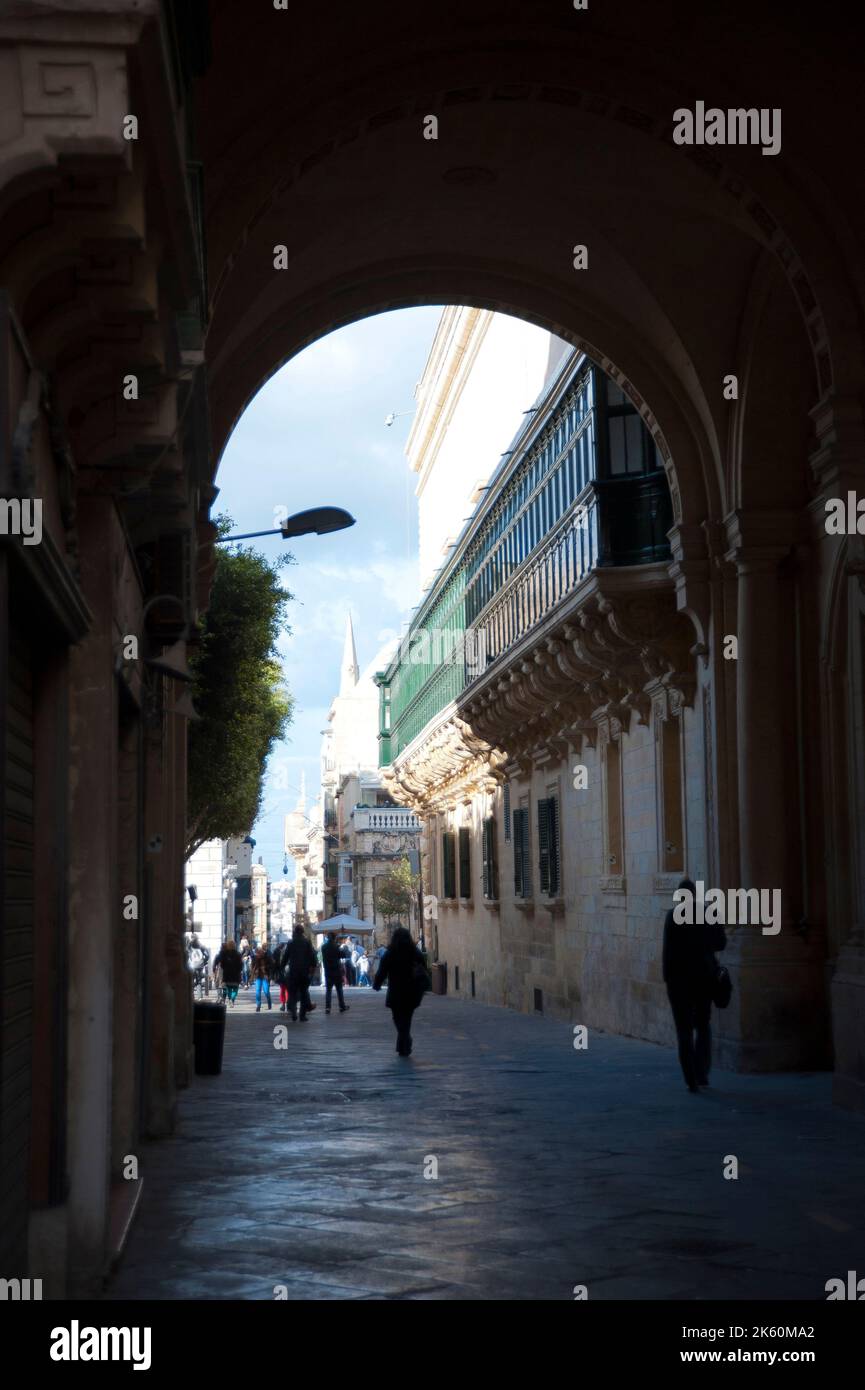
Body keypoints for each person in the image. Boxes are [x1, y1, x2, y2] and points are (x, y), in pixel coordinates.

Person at [662, 877, 727, 1093]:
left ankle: (690, 1078)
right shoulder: (708, 913)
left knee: (684, 1029)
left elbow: (668, 953)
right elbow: (721, 943)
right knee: (703, 1024)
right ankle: (702, 1074)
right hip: (703, 978)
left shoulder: (672, 917)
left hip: (679, 981)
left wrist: (668, 980)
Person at [373, 926, 430, 1057]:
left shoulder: (390, 953)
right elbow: (423, 968)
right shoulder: (415, 952)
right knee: (407, 1019)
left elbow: (382, 971)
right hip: (412, 992)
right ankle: (403, 1045)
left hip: (396, 993)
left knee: (398, 1018)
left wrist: (377, 984)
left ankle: (405, 1042)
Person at [287, 925, 316, 1022]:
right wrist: (313, 966)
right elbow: (312, 956)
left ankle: (294, 1013)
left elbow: (286, 956)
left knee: (293, 993)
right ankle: (302, 1015)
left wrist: (281, 966)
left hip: (293, 971)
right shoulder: (307, 942)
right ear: (303, 932)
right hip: (304, 972)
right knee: (304, 993)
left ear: (295, 931)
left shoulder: (291, 943)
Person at [321, 931, 350, 1015]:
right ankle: (342, 1006)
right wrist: (342, 948)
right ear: (334, 938)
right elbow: (343, 955)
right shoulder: (336, 947)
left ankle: (327, 1008)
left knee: (328, 990)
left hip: (328, 971)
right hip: (336, 971)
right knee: (339, 989)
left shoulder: (323, 947)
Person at [214, 938, 243, 1007]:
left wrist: (225, 969)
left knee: (229, 988)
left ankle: (230, 1000)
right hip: (236, 975)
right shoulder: (238, 954)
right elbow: (241, 965)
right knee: (235, 989)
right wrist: (239, 971)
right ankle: (232, 1000)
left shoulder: (224, 954)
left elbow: (222, 964)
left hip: (227, 975)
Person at [252, 942, 274, 1012]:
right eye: (257, 954)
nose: (258, 955)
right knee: (258, 991)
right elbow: (253, 966)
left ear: (262, 953)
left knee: (266, 991)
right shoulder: (255, 958)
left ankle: (269, 1003)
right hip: (258, 976)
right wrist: (254, 972)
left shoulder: (267, 957)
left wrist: (265, 968)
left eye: (259, 954)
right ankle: (258, 1005)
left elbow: (272, 965)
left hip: (265, 976)